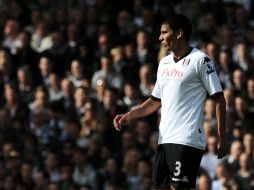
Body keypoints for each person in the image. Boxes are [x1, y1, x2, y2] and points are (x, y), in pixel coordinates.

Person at [113, 13, 227, 190]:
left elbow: (219, 98)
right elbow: (154, 101)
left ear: (179, 34)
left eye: (164, 32)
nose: (160, 37)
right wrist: (129, 115)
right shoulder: (164, 63)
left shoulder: (201, 60)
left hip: (187, 138)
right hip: (164, 138)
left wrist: (222, 136)